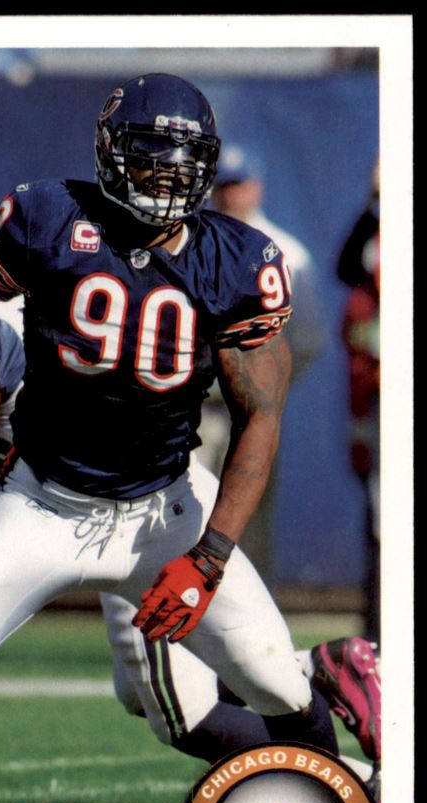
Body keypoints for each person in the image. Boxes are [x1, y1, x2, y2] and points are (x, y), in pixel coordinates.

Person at [0, 73, 369, 795]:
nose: (167, 174)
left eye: (183, 159)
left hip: (165, 510)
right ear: (110, 151)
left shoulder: (238, 260)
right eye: (149, 154)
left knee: (277, 686)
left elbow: (259, 418)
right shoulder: (50, 217)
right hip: (42, 504)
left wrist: (206, 560)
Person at [200, 144, 325, 585]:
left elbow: (307, 342)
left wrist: (267, 390)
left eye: (238, 185)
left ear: (257, 188)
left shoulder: (288, 254)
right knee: (188, 516)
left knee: (249, 525)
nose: (230, 195)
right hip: (195, 410)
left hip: (253, 412)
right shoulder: (189, 245)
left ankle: (248, 615)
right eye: (223, 186)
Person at [336, 165, 380, 640]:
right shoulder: (376, 238)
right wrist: (374, 203)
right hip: (377, 399)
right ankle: (379, 629)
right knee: (379, 519)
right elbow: (347, 266)